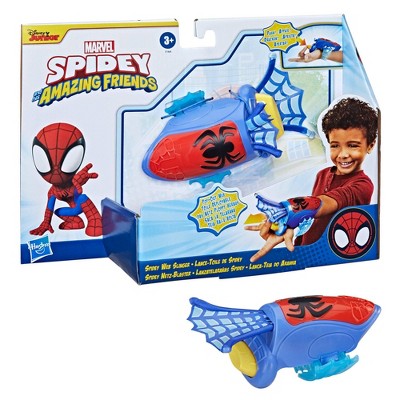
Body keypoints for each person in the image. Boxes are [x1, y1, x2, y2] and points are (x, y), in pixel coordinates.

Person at [245, 97, 378, 262]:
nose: (343, 154)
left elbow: (324, 203)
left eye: (352, 145)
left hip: (331, 257)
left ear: (370, 145)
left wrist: (285, 211)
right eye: (335, 145)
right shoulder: (323, 174)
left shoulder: (363, 185)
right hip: (305, 251)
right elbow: (311, 218)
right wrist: (288, 226)